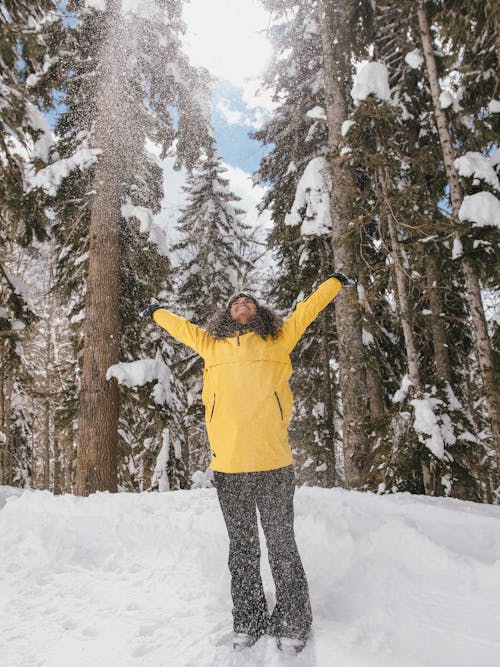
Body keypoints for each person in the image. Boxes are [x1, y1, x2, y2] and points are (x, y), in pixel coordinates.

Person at [139, 272, 355, 654]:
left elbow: (308, 309)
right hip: (229, 466)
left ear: (259, 312)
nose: (242, 304)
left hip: (273, 462)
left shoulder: (279, 337)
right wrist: (156, 311)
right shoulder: (211, 344)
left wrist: (335, 281)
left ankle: (292, 619)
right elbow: (181, 327)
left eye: (249, 301)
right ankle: (249, 618)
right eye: (236, 302)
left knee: (281, 544)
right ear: (226, 314)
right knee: (242, 547)